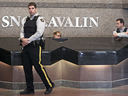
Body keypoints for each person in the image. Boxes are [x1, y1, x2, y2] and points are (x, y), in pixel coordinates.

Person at [20, 2, 54, 95]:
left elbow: (39, 32)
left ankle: (49, 85)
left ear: (36, 9)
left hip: (35, 46)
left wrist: (28, 40)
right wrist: (22, 39)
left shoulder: (40, 19)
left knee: (38, 67)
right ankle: (30, 89)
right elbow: (22, 31)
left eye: (32, 8)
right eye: (29, 8)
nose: (31, 10)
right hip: (26, 46)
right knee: (27, 68)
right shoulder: (25, 19)